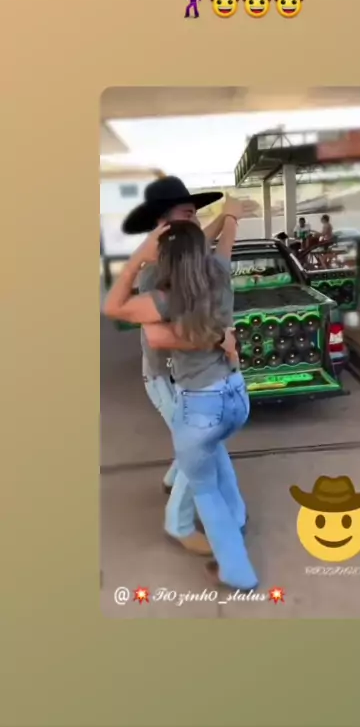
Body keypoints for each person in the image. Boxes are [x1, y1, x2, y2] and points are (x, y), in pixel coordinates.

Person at [104, 204, 258, 591]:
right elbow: (226, 240)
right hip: (236, 395)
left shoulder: (164, 299)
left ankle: (236, 572)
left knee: (204, 488)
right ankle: (238, 517)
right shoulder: (220, 271)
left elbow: (112, 307)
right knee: (216, 454)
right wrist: (231, 216)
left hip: (200, 405)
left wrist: (138, 258)